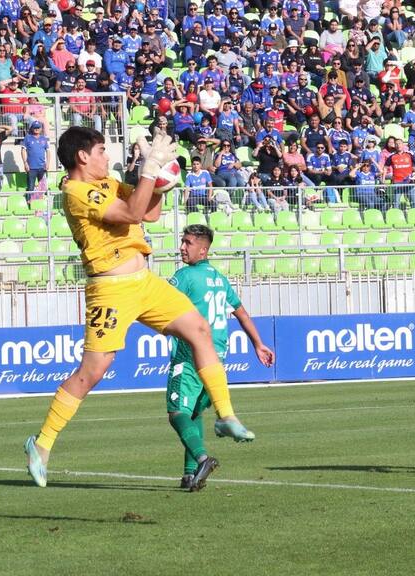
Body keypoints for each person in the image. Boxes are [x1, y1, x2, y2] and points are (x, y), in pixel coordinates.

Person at [24, 128, 254, 488]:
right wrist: (147, 171)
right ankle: (41, 445)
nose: (106, 157)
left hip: (145, 281)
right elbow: (131, 213)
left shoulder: (110, 182)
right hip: (111, 290)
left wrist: (160, 179)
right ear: (82, 156)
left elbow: (149, 214)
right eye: (101, 150)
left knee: (200, 330)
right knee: (93, 371)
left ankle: (225, 415)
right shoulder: (75, 192)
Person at [167, 224, 275, 491]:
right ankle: (189, 474)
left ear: (203, 250)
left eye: (188, 243)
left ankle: (202, 459)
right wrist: (258, 344)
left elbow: (160, 303)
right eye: (182, 242)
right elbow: (241, 313)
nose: (182, 247)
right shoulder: (220, 278)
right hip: (218, 358)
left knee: (176, 411)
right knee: (194, 413)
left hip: (191, 352)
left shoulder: (184, 276)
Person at [20, 121, 50, 194]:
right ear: (32, 128)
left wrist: (48, 163)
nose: (36, 129)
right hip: (31, 168)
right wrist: (25, 163)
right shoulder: (28, 138)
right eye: (35, 127)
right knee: (30, 188)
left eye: (38, 127)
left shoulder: (44, 138)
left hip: (42, 167)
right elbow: (23, 150)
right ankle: (30, 203)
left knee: (43, 188)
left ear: (41, 129)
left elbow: (48, 151)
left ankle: (43, 203)